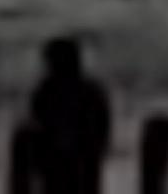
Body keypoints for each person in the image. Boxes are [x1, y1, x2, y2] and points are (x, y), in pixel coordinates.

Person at [20, 39, 117, 194]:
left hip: (67, 163)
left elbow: (37, 126)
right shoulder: (91, 91)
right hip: (74, 164)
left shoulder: (46, 91)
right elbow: (102, 132)